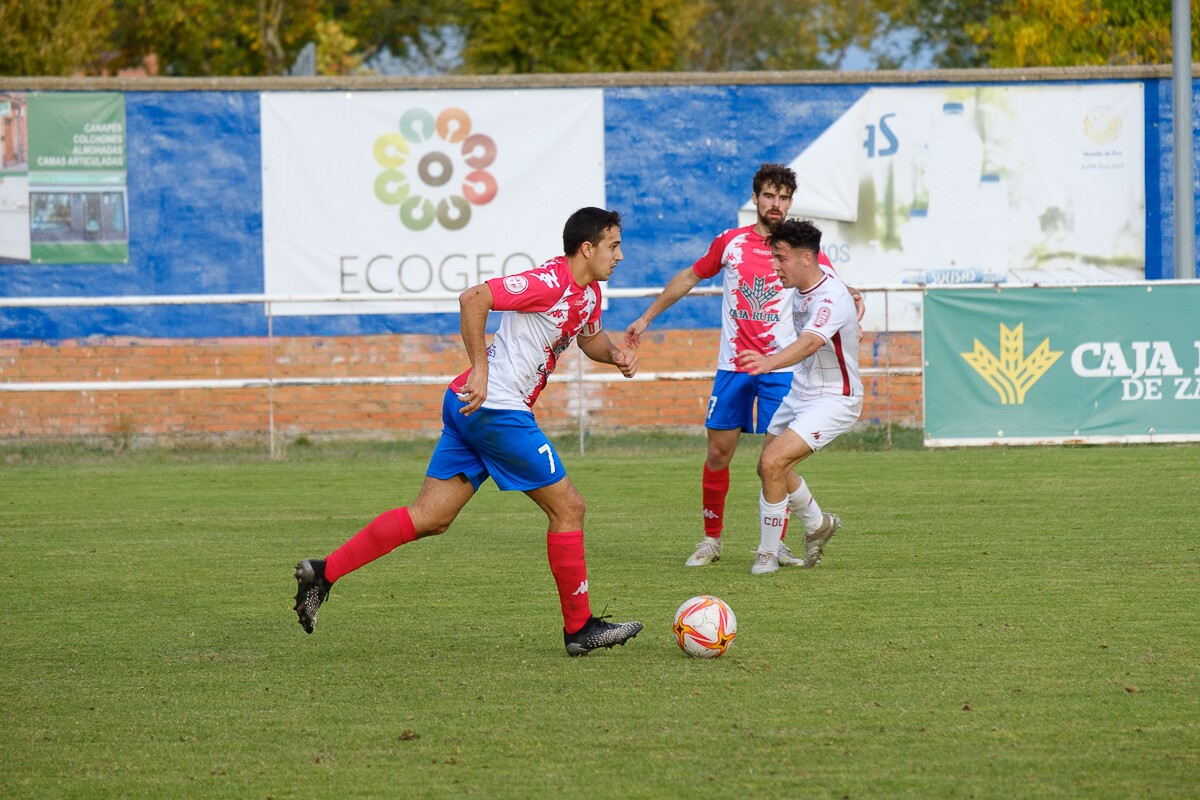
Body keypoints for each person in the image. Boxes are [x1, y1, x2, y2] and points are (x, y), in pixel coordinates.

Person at [293, 207, 643, 657]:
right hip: (493, 407)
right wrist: (481, 368)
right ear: (587, 248)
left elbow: (588, 339)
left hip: (471, 406)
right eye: (614, 246)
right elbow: (473, 298)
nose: (620, 255)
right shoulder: (549, 282)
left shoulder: (589, 295)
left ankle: (324, 572)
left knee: (430, 517)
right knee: (569, 508)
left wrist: (614, 354)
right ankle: (579, 628)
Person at [624, 163, 858, 569]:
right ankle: (711, 540)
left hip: (782, 369)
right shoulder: (731, 243)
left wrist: (855, 297)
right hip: (734, 365)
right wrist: (646, 318)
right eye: (769, 195)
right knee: (718, 454)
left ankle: (776, 545)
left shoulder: (800, 250)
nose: (776, 204)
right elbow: (690, 276)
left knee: (776, 461)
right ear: (755, 198)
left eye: (784, 197)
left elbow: (832, 287)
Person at [736, 219, 862, 575]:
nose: (775, 265)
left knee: (772, 463)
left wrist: (767, 362)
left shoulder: (829, 297)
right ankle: (818, 524)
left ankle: (768, 552)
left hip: (835, 398)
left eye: (781, 258)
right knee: (771, 466)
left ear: (806, 258)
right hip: (801, 391)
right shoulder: (807, 288)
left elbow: (810, 342)